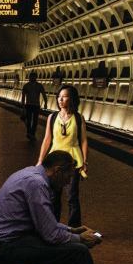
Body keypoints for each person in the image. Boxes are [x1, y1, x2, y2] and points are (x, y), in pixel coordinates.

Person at [37, 85, 89, 228]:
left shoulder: (78, 118)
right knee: (54, 196)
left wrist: (84, 160)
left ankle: (74, 227)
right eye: (59, 96)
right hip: (54, 161)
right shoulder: (52, 117)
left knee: (72, 196)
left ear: (71, 98)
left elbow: (83, 140)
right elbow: (47, 139)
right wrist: (40, 160)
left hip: (73, 161)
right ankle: (53, 225)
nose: (60, 99)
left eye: (64, 96)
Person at [21, 71, 48, 140]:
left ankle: (31, 133)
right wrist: (23, 106)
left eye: (33, 77)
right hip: (30, 104)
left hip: (34, 105)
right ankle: (30, 133)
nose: (32, 78)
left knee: (34, 120)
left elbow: (44, 94)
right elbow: (23, 97)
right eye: (32, 77)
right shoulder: (30, 86)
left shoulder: (28, 86)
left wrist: (45, 103)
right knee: (30, 120)